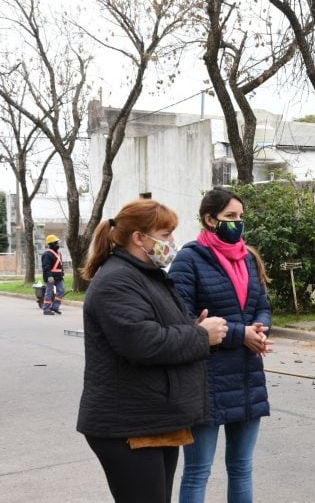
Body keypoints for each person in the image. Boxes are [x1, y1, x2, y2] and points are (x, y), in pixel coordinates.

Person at [76, 199, 229, 503]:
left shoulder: (146, 274)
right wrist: (200, 336)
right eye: (166, 233)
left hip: (152, 417)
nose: (172, 241)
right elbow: (143, 343)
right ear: (139, 238)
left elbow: (162, 326)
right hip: (128, 424)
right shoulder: (118, 279)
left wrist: (193, 327)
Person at [169, 187, 273, 503]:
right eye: (230, 217)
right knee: (198, 471)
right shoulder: (189, 260)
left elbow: (263, 304)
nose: (237, 223)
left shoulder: (249, 257)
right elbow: (184, 320)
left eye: (240, 217)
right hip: (206, 379)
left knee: (242, 468)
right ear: (209, 219)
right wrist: (241, 333)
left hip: (246, 375)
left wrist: (261, 327)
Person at [41, 234, 65, 315]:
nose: (57, 244)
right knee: (49, 292)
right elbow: (46, 267)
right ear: (51, 244)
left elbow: (60, 265)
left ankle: (55, 307)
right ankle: (46, 309)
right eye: (56, 242)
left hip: (59, 276)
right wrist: (49, 276)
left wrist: (62, 273)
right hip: (51, 276)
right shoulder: (47, 254)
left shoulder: (59, 253)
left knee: (61, 290)